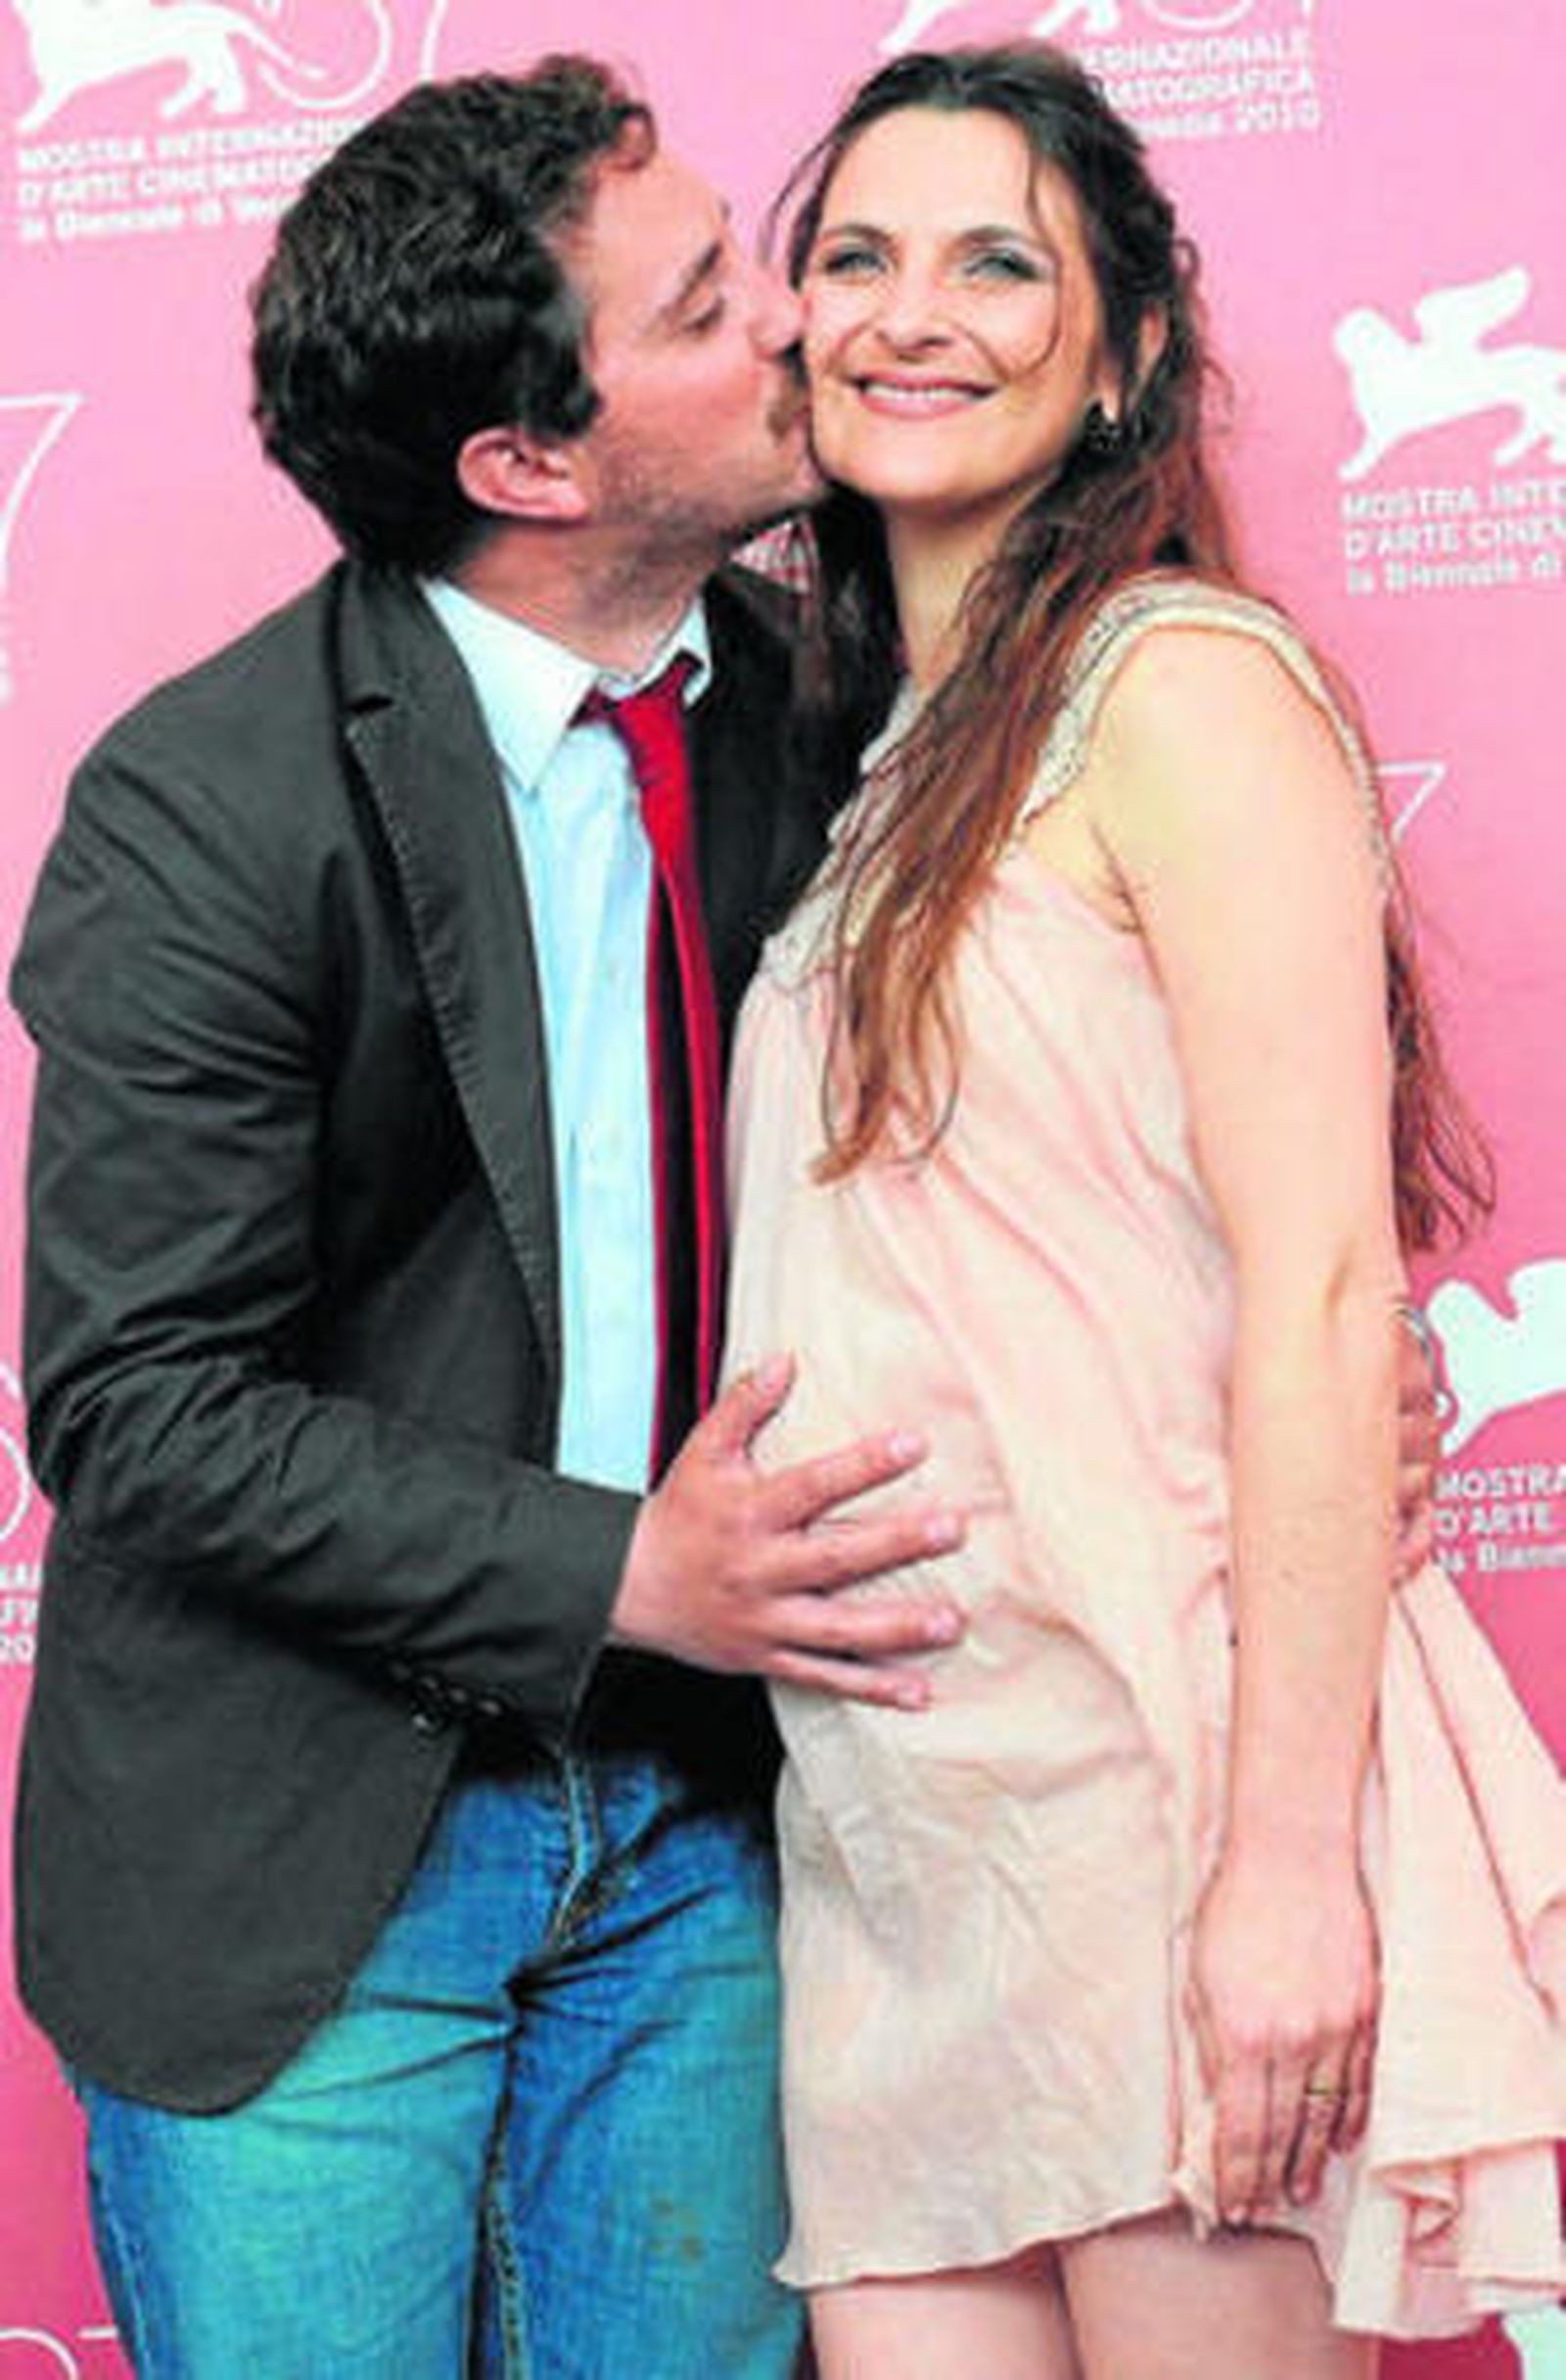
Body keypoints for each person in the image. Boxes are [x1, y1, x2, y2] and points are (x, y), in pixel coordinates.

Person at [7, 59, 985, 2380]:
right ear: (530, 466)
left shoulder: (825, 714)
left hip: (709, 1829)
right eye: (705, 305)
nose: (796, 320)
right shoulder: (207, 807)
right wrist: (621, 1566)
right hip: (304, 1851)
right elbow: (134, 1404)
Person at [722, 42, 1566, 2380]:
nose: (910, 311)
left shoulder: (1174, 685)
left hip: (1157, 1791)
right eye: (856, 256)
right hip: (904, 1837)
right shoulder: (871, 765)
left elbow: (1319, 1286)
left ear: (1124, 359)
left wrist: (1280, 1868)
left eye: (996, 263)